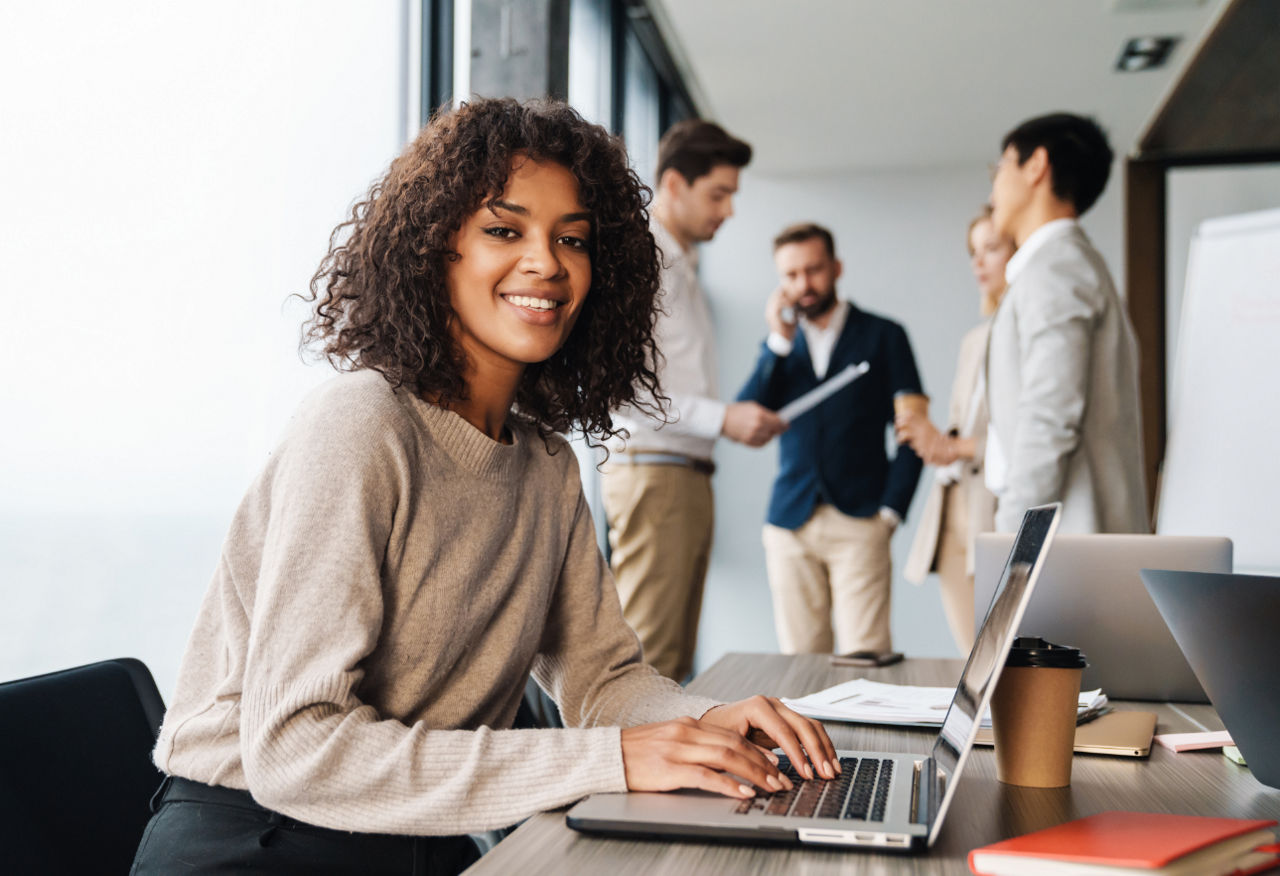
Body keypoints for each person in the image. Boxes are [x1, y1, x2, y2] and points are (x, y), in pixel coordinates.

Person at [130, 98, 838, 876]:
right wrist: (610, 761)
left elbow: (603, 680)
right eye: (505, 231)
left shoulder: (545, 466)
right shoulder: (362, 424)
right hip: (259, 841)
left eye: (573, 239)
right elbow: (295, 748)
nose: (548, 262)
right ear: (438, 250)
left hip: (420, 837)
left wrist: (708, 722)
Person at [602, 120, 785, 682]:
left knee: (671, 663)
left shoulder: (681, 264)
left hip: (680, 474)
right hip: (658, 473)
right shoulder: (647, 261)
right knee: (649, 663)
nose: (728, 210)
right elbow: (623, 390)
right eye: (718, 194)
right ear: (675, 185)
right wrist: (723, 418)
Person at [736, 223, 924, 656]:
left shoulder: (884, 335)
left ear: (836, 268)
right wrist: (777, 343)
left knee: (866, 657)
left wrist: (891, 512)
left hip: (861, 519)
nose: (804, 284)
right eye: (791, 275)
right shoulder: (780, 347)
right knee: (800, 662)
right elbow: (746, 418)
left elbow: (914, 429)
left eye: (814, 270)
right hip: (790, 522)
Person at [984, 112, 1148, 534]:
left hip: (1066, 539)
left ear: (1036, 165)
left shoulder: (1056, 269)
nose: (994, 187)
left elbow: (1050, 414)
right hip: (1073, 535)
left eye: (1000, 168)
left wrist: (1010, 532)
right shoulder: (1068, 265)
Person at [898, 208, 1014, 653]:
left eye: (991, 248)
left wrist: (952, 445)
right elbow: (962, 428)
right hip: (950, 513)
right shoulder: (975, 340)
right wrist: (930, 439)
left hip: (995, 509)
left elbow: (1027, 438)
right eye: (973, 252)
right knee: (972, 659)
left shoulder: (1026, 336)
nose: (978, 263)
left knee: (1002, 658)